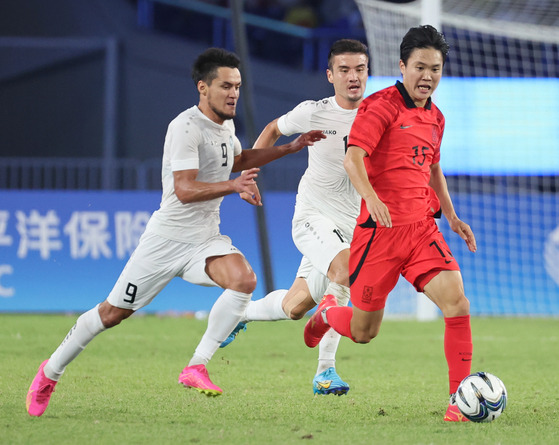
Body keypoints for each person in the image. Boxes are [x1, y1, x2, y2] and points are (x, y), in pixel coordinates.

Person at [26, 47, 325, 417]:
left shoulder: (224, 124)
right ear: (203, 87)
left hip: (204, 239)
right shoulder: (185, 127)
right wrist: (233, 187)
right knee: (111, 314)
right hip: (166, 241)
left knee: (244, 280)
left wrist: (291, 147)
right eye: (226, 86)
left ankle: (196, 366)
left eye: (237, 86)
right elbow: (184, 189)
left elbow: (236, 160)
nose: (234, 93)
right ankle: (50, 372)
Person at [303, 25, 477, 422]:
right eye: (420, 67)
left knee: (457, 302)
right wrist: (372, 198)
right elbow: (353, 158)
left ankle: (458, 402)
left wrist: (450, 215)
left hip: (421, 231)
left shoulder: (437, 117)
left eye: (435, 68)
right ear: (402, 66)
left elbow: (433, 167)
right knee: (364, 332)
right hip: (377, 236)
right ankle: (328, 312)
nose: (428, 76)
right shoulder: (379, 106)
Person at [220, 39, 369, 396]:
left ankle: (240, 314)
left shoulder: (379, 113)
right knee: (345, 271)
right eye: (345, 70)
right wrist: (250, 173)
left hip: (349, 225)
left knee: (295, 307)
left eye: (360, 70)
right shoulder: (315, 111)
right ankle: (326, 373)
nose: (353, 77)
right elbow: (273, 128)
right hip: (312, 216)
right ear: (330, 75)